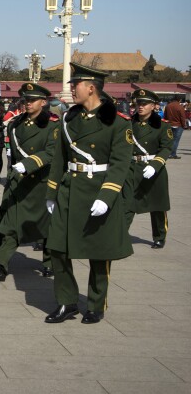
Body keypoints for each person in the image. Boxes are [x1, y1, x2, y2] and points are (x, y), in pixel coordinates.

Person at [44, 63, 133, 324]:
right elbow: (59, 158)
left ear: (91, 88)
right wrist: (51, 192)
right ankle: (67, 302)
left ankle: (95, 304)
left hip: (98, 191)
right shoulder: (69, 120)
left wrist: (106, 197)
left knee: (99, 253)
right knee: (57, 249)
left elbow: (120, 164)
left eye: (76, 85)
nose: (71, 89)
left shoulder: (117, 122)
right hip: (70, 191)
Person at [0, 83, 60, 281]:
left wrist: (29, 164)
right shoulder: (15, 124)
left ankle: (49, 262)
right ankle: (0, 263)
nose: (28, 103)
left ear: (43, 102)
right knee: (11, 223)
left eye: (33, 100)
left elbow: (52, 152)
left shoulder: (53, 125)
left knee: (46, 225)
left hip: (41, 181)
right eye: (26, 100)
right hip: (19, 181)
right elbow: (12, 153)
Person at [123, 89, 172, 249]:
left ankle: (159, 236)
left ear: (153, 106)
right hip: (132, 169)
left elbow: (166, 148)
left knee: (157, 205)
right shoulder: (128, 123)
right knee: (127, 204)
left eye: (145, 103)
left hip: (154, 169)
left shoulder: (162, 125)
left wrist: (155, 164)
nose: (141, 106)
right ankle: (120, 235)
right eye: (139, 103)